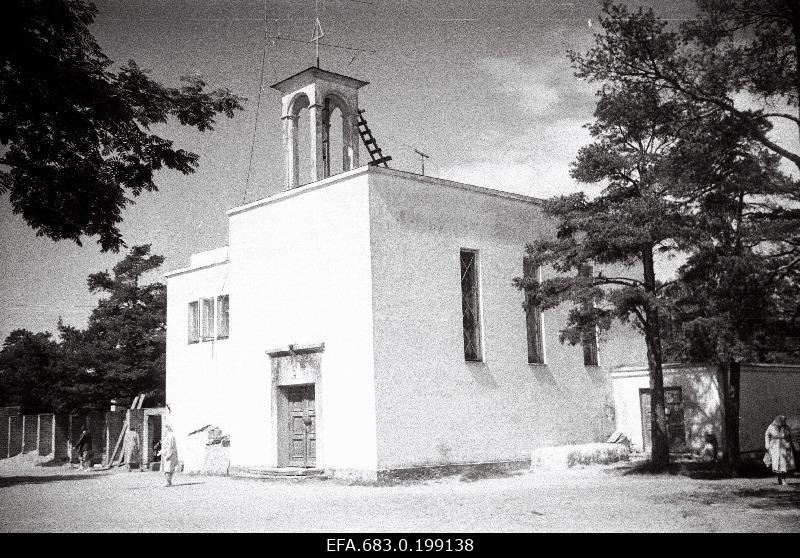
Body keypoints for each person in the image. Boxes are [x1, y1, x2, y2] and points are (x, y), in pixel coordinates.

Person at [764, 415, 795, 485]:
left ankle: (783, 480)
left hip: (784, 447)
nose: (783, 422)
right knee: (777, 464)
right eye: (782, 420)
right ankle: (779, 478)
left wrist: (789, 442)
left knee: (783, 463)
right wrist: (767, 445)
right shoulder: (771, 426)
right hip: (775, 447)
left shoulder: (786, 427)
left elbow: (791, 435)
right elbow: (767, 435)